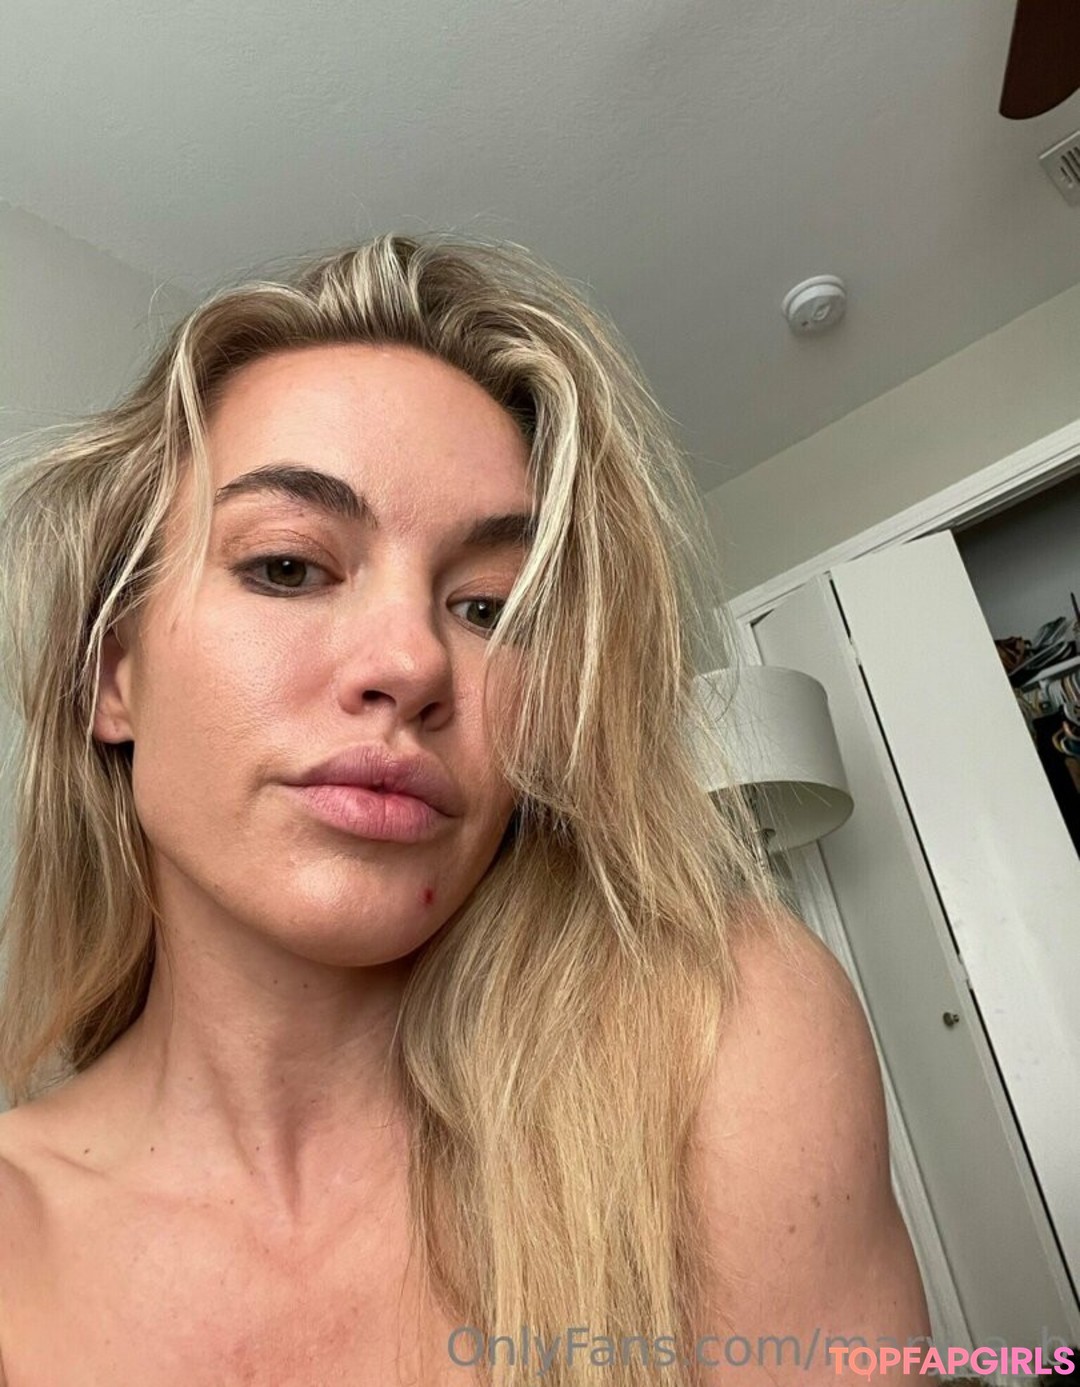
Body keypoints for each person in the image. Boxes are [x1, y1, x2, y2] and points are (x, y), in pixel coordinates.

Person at [0, 233, 929, 1385]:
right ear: (112, 675)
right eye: (288, 565)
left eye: (492, 606)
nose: (413, 661)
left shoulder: (719, 1043)